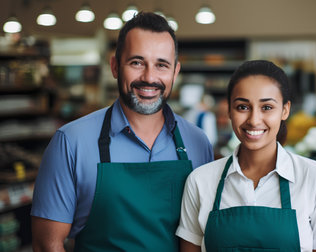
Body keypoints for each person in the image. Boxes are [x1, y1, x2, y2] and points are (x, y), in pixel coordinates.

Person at [31, 12, 214, 252]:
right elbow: (47, 245)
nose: (149, 77)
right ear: (115, 66)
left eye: (161, 65)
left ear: (175, 72)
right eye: (137, 62)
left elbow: (202, 236)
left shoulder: (198, 142)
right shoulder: (70, 142)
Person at [176, 60, 316, 252]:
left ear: (285, 110)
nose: (254, 120)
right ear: (229, 111)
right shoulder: (200, 181)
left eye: (267, 107)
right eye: (242, 107)